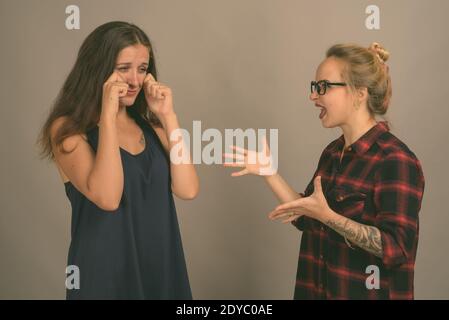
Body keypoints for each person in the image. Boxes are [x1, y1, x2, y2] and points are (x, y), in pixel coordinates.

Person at [224, 43, 425, 299]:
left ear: (359, 93)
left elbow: (396, 249)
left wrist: (328, 216)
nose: (313, 96)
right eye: (314, 87)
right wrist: (269, 172)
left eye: (323, 87)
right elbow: (308, 215)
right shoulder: (332, 153)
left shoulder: (395, 160)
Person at [38, 21, 199, 299]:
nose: (135, 80)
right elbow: (108, 197)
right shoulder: (67, 130)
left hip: (160, 267)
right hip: (104, 274)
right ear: (98, 70)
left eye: (142, 69)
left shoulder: (155, 129)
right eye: (123, 68)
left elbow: (188, 189)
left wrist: (168, 117)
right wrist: (108, 118)